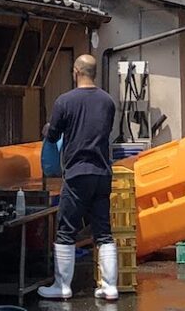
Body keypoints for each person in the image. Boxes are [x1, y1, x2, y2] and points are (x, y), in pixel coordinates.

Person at [39, 54, 120, 302]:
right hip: (102, 173)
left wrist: (48, 130)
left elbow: (52, 136)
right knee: (103, 231)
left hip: (77, 174)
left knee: (66, 229)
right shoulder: (108, 102)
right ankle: (109, 287)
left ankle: (62, 286)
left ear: (76, 71)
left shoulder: (65, 101)